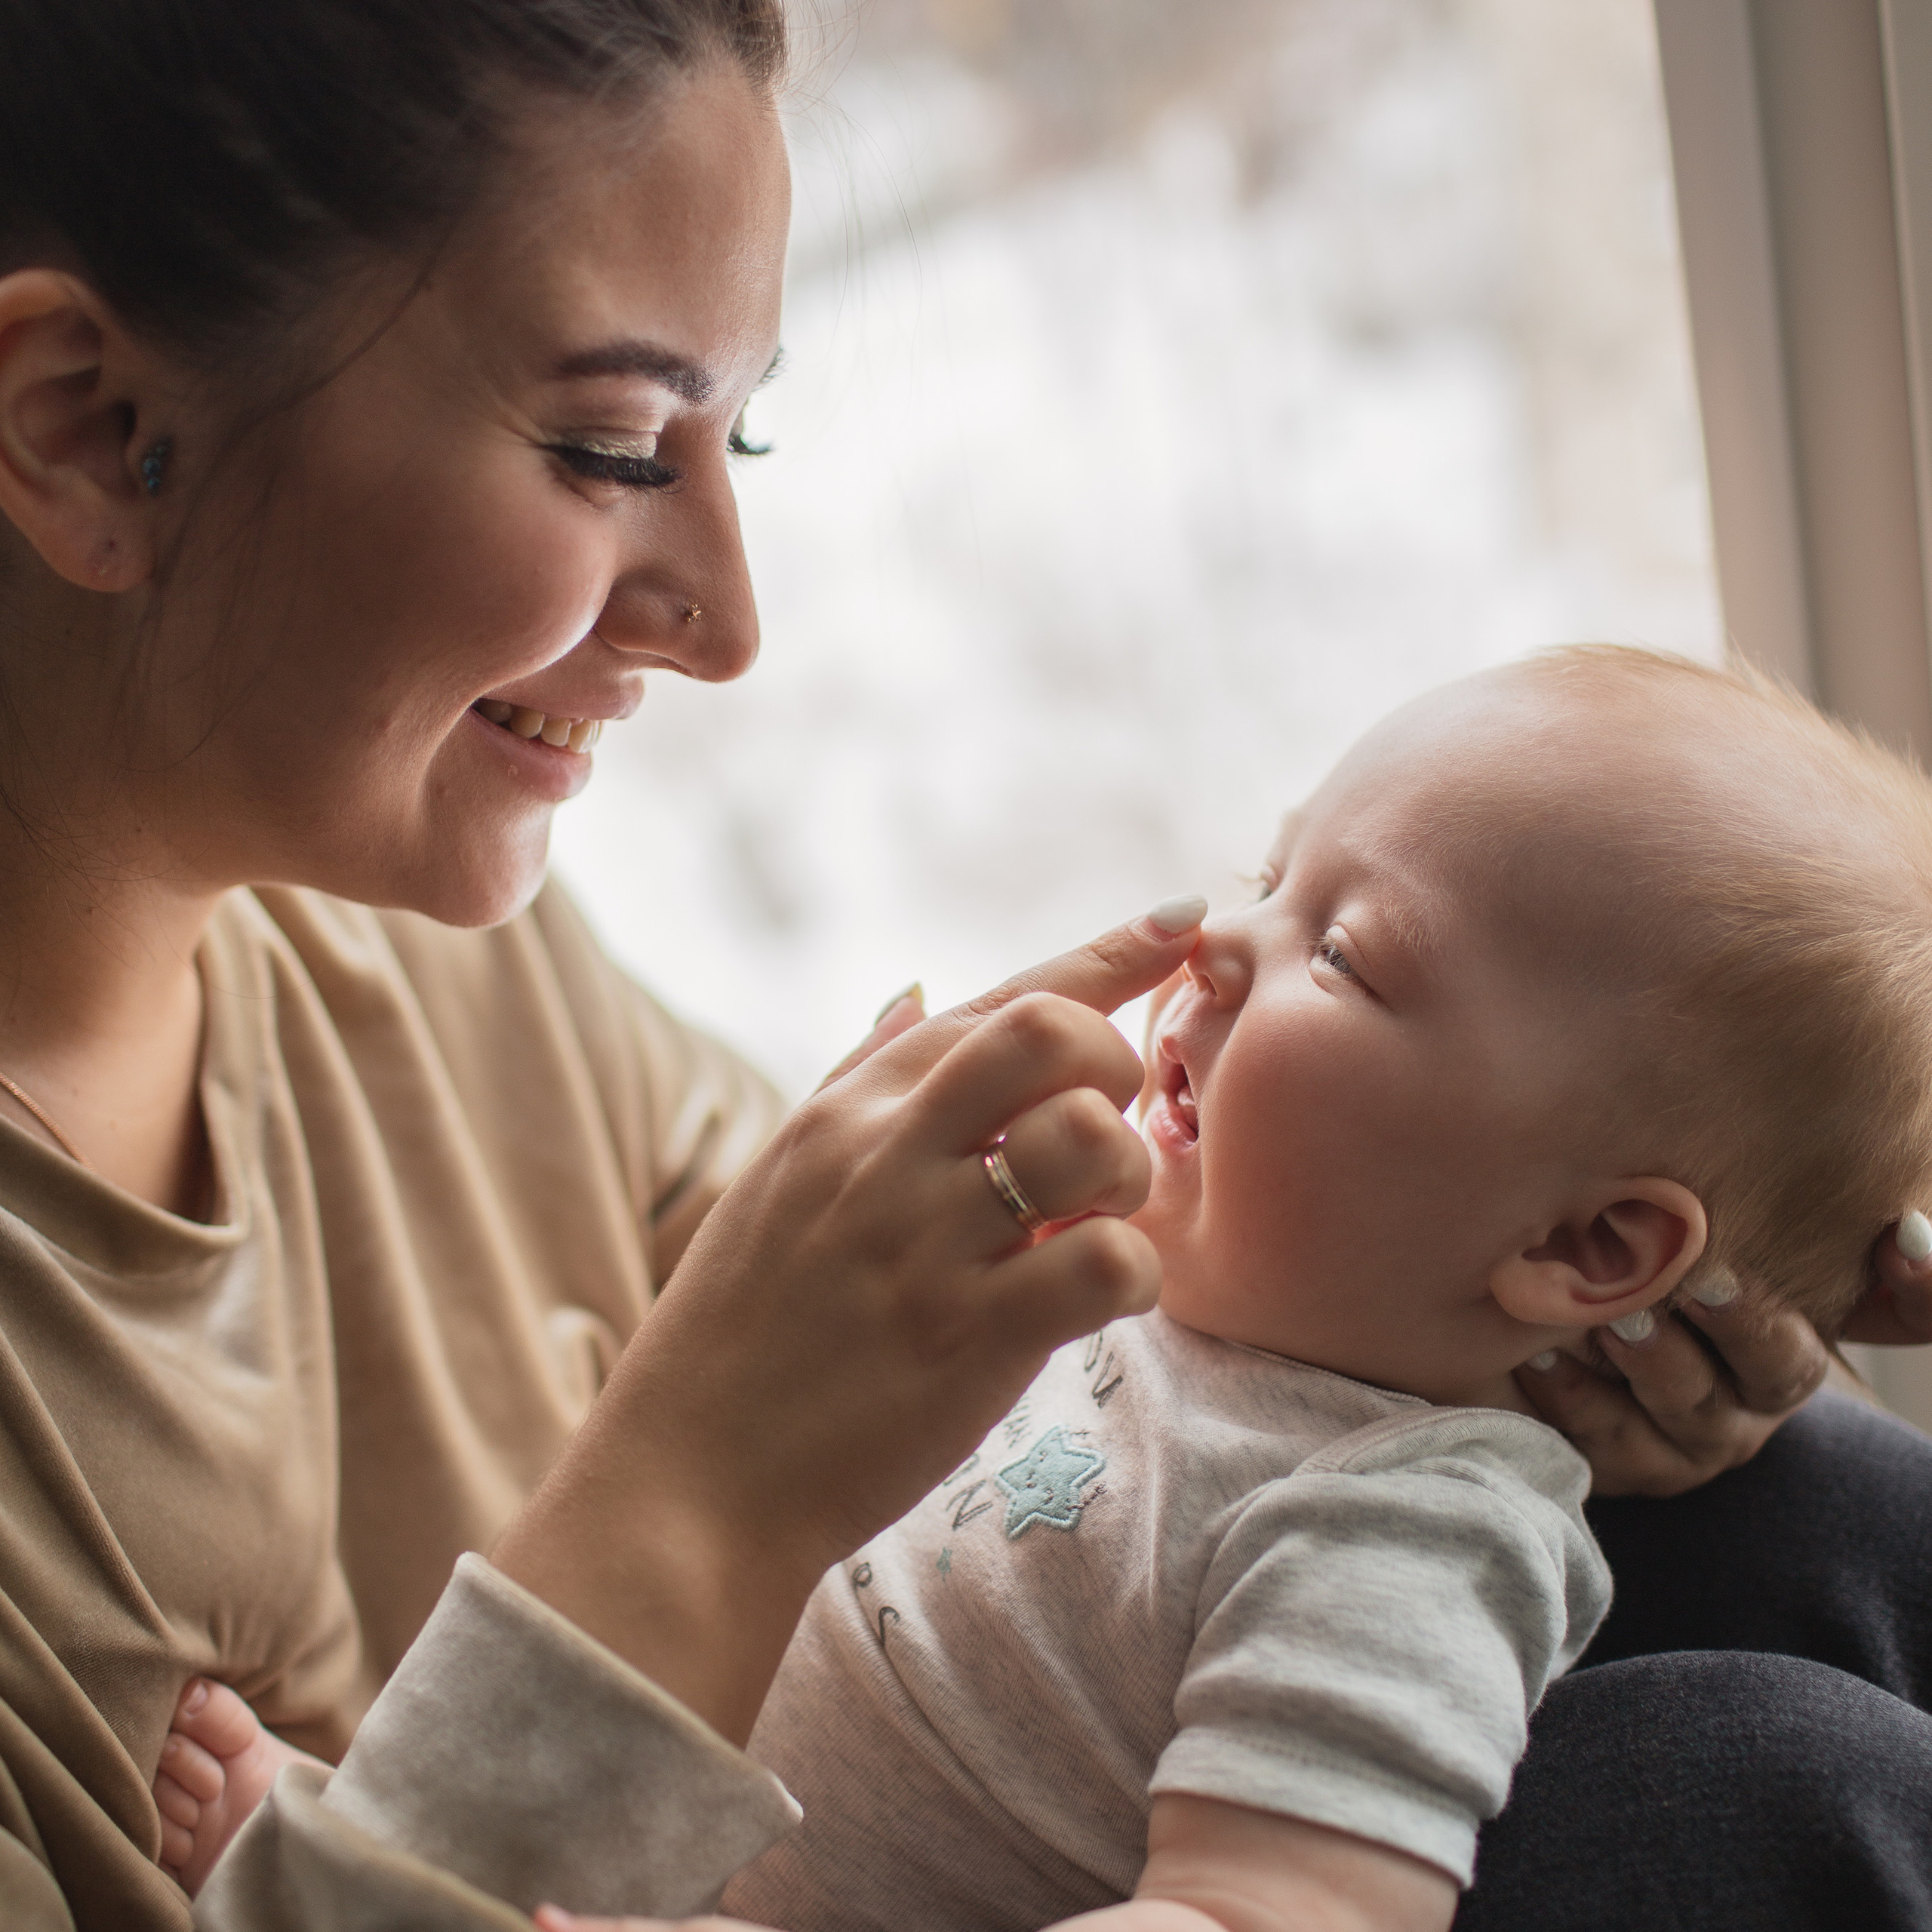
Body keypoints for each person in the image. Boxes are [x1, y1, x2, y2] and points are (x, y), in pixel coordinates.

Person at [0, 5, 1923, 1930]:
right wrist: (695, 1497)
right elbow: (779, 1403)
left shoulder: (374, 922)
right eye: (607, 448)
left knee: (1808, 1506)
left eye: (736, 434)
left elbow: (961, 1373)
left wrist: (1594, 1316)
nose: (728, 621)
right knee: (1782, 1784)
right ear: (82, 426)